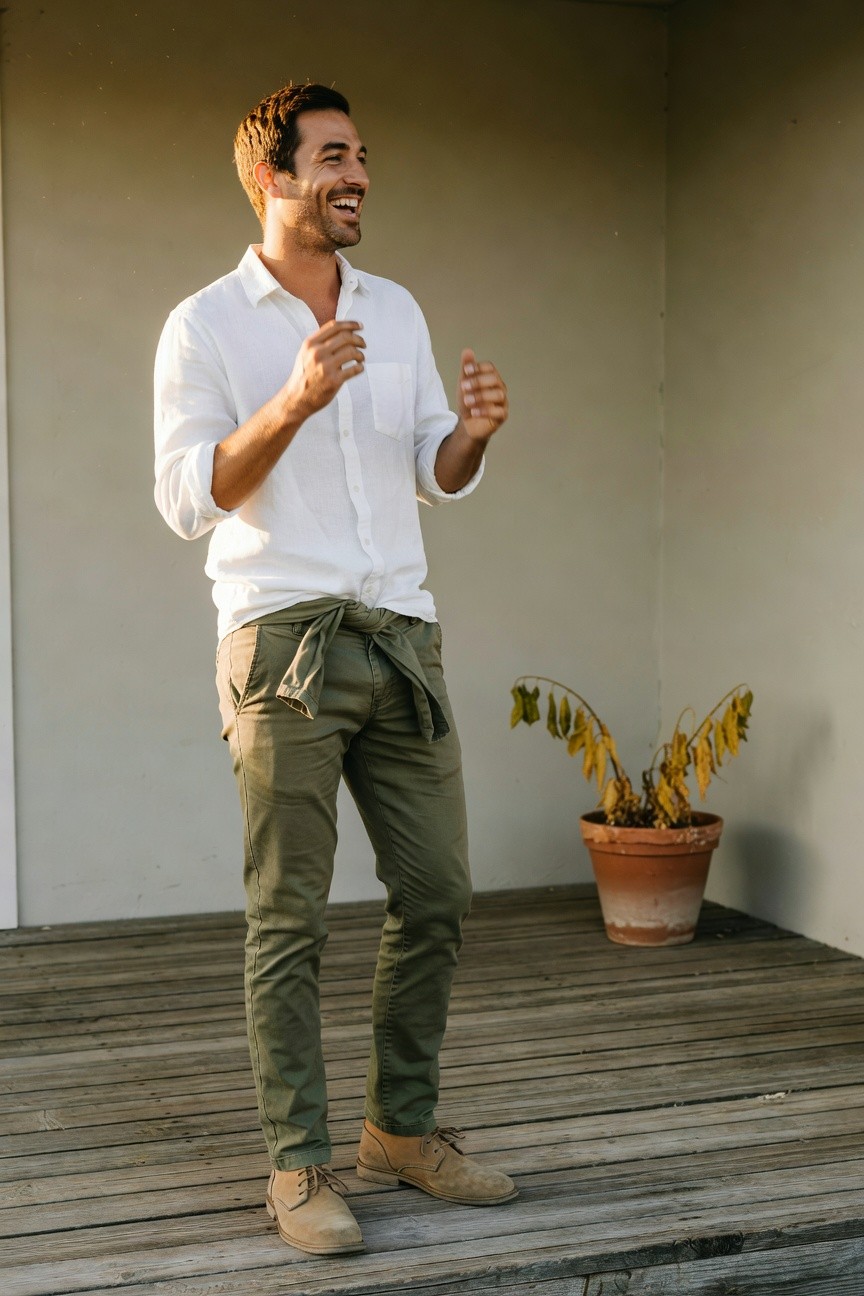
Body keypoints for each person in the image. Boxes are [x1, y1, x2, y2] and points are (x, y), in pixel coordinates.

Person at [154, 82, 515, 1258]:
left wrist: (468, 436)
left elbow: (427, 468)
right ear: (272, 178)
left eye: (363, 154)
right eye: (333, 156)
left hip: (400, 638)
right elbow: (186, 499)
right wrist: (294, 400)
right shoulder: (205, 323)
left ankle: (398, 1133)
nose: (358, 173)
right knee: (289, 917)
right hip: (283, 647)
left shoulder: (396, 310)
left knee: (439, 892)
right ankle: (298, 1164)